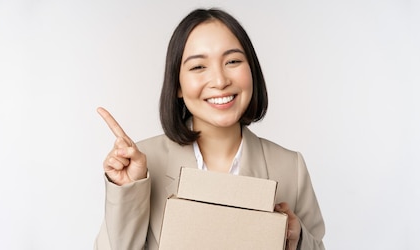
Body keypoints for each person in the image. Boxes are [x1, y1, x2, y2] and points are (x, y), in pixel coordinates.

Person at [94, 8, 325, 250]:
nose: (220, 80)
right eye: (198, 67)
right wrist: (129, 191)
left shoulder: (290, 166)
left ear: (252, 71)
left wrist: (298, 240)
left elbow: (317, 245)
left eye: (233, 61)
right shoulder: (143, 164)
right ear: (178, 86)